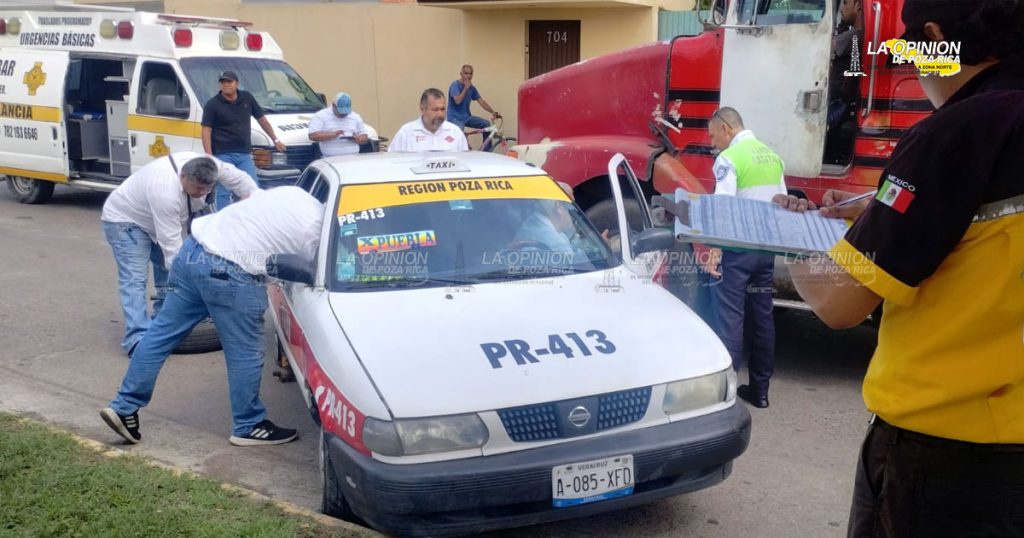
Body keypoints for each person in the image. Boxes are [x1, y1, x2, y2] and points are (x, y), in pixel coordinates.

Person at [773, 0, 1024, 534]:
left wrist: (785, 243)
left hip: (951, 458)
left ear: (936, 37)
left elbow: (840, 302)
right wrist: (873, 211)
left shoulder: (960, 130)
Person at [100, 186, 324, 447]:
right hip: (232, 272)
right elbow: (318, 274)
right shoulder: (317, 231)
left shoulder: (292, 191)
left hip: (192, 252)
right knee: (245, 351)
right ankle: (248, 425)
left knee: (159, 334)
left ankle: (123, 406)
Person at [101, 153, 258, 357]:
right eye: (198, 189)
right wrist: (194, 286)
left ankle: (163, 320)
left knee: (167, 277)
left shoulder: (215, 166)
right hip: (125, 220)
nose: (203, 193)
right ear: (183, 177)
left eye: (207, 188)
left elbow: (243, 181)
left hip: (158, 218)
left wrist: (255, 201)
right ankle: (137, 339)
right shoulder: (165, 192)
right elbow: (173, 252)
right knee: (135, 279)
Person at [704, 107, 786, 409]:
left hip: (737, 252)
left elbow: (723, 209)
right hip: (765, 252)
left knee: (730, 320)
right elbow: (781, 202)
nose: (713, 143)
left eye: (714, 136)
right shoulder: (772, 156)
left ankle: (726, 394)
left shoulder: (729, 159)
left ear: (726, 128)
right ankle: (760, 390)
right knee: (763, 317)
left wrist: (715, 250)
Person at [201, 70, 286, 208]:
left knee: (252, 187)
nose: (226, 85)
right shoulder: (212, 104)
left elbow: (262, 120)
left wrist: (275, 140)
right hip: (222, 154)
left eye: (229, 81)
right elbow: (206, 130)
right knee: (223, 190)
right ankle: (222, 221)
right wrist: (209, 155)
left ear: (237, 83)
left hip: (244, 154)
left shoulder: (247, 98)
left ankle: (250, 216)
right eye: (223, 82)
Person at [389, 88, 469, 153]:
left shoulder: (455, 132)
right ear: (422, 109)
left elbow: (465, 163)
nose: (440, 114)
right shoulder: (406, 133)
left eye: (442, 109)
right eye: (435, 110)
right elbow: (392, 162)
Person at [308, 91, 369, 157]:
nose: (343, 114)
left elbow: (364, 136)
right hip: (330, 158)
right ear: (334, 106)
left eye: (346, 112)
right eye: (341, 111)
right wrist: (333, 134)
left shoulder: (355, 116)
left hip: (353, 158)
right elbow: (313, 135)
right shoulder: (320, 115)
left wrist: (359, 139)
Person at [447, 64, 501, 136]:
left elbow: (481, 101)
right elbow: (457, 101)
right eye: (466, 73)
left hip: (466, 117)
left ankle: (487, 147)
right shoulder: (455, 85)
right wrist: (466, 88)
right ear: (461, 74)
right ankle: (462, 146)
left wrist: (493, 112)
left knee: (486, 124)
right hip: (454, 118)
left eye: (470, 74)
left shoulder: (472, 88)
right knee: (459, 129)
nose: (469, 76)